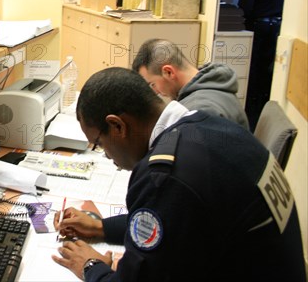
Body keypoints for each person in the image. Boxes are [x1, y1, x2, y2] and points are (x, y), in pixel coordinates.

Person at [52, 67, 305, 282]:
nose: (106, 155)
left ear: (118, 125)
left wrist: (91, 267)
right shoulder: (209, 124)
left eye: (99, 143)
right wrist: (101, 227)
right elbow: (173, 222)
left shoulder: (165, 176)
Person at [132, 38, 249, 129]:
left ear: (168, 72)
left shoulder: (198, 110)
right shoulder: (215, 85)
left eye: (152, 84)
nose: (156, 92)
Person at [237, 0, 286, 130]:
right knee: (269, 65)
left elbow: (245, 8)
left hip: (259, 27)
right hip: (277, 26)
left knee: (254, 66)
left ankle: (252, 103)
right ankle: (265, 99)